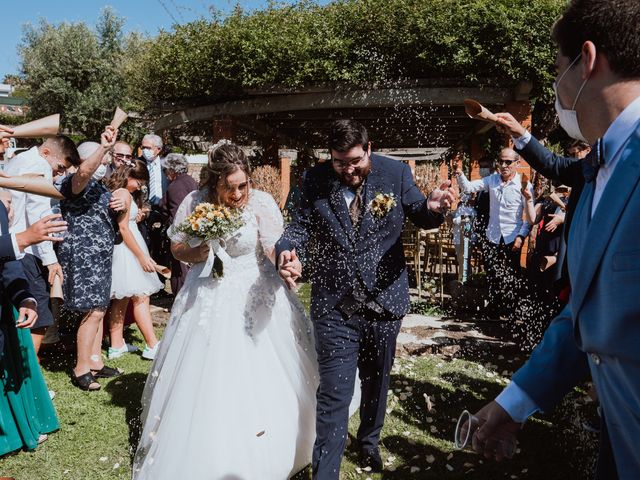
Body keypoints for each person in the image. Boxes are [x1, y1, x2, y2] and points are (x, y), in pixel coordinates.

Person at [470, 1, 640, 478]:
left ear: (586, 62)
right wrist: (515, 402)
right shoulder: (598, 167)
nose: (556, 86)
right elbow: (585, 312)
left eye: (555, 69)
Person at [276, 120, 455, 478]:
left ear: (369, 149)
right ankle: (325, 472)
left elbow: (419, 213)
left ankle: (369, 441)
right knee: (334, 392)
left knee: (376, 380)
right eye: (340, 162)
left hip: (384, 302)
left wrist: (434, 209)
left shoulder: (396, 173)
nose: (349, 169)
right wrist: (288, 250)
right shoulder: (314, 180)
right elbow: (297, 227)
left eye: (356, 160)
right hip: (335, 305)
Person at [132, 142, 320, 479]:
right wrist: (199, 252)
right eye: (228, 187)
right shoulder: (195, 201)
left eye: (242, 185)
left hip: (256, 295)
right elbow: (177, 249)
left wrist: (286, 262)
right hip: (208, 297)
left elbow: (273, 244)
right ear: (214, 182)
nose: (237, 194)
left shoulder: (260, 202)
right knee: (208, 369)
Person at [59, 132, 128, 391]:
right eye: (101, 159)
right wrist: (104, 147)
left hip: (100, 255)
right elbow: (83, 174)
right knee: (93, 310)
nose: (104, 163)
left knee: (99, 307)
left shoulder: (99, 186)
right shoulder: (74, 182)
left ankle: (94, 361)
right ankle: (81, 368)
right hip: (82, 255)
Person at [4, 135, 80, 358]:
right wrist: (51, 260)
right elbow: (39, 215)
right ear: (46, 153)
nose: (59, 173)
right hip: (26, 250)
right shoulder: (38, 164)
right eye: (59, 167)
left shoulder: (19, 160)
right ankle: (31, 378)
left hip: (11, 244)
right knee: (38, 316)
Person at [455, 148, 533, 318]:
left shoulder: (524, 185)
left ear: (517, 164)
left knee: (512, 275)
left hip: (513, 236)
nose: (503, 165)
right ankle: (493, 310)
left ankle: (512, 312)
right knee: (492, 274)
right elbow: (468, 187)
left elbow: (528, 217)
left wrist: (521, 237)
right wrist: (459, 173)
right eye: (501, 161)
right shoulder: (492, 180)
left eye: (508, 162)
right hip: (492, 236)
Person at [106, 161, 162, 361]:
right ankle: (152, 344)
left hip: (125, 247)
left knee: (121, 299)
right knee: (141, 296)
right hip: (128, 250)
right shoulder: (124, 194)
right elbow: (123, 228)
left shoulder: (119, 192)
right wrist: (140, 256)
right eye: (139, 182)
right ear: (130, 177)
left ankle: (117, 344)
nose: (141, 187)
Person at [158, 153, 197, 295]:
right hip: (192, 232)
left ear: (172, 170)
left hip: (182, 235)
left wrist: (177, 239)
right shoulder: (189, 180)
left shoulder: (176, 186)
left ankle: (181, 298)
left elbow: (178, 214)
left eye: (165, 170)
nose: (165, 173)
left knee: (180, 269)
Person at [139, 134, 169, 269]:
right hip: (144, 209)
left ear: (158, 149)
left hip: (163, 208)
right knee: (145, 243)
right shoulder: (137, 164)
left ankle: (162, 277)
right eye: (143, 147)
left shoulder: (167, 165)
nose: (145, 150)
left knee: (162, 244)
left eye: (148, 148)